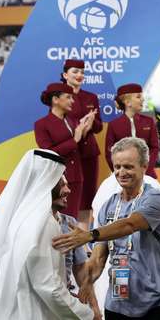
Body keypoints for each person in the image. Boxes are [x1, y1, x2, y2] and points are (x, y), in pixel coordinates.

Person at [52, 137, 160, 320]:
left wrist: (90, 235)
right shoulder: (108, 206)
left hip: (159, 304)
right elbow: (98, 258)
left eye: (128, 166)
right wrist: (87, 284)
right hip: (118, 305)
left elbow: (130, 224)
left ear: (144, 166)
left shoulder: (155, 199)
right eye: (117, 167)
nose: (121, 172)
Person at [0, 149, 94, 319]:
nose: (68, 190)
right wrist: (86, 315)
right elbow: (49, 286)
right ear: (46, 182)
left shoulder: (14, 219)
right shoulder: (42, 222)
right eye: (62, 183)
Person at [34, 82, 95, 218]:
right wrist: (74, 140)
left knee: (72, 218)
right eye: (68, 97)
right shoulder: (41, 124)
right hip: (58, 178)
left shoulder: (72, 121)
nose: (72, 101)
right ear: (55, 100)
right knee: (58, 218)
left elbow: (79, 147)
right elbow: (48, 153)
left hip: (76, 177)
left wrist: (85, 131)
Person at [61, 59, 102, 227]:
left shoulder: (91, 97)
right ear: (65, 75)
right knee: (70, 196)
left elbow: (99, 125)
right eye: (75, 72)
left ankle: (83, 239)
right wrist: (80, 127)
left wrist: (91, 123)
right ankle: (69, 235)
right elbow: (58, 121)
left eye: (82, 72)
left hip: (89, 153)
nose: (79, 75)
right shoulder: (59, 96)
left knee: (87, 196)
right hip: (71, 151)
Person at [54, 176, 101, 318]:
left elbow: (80, 268)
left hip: (65, 303)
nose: (68, 190)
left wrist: (94, 308)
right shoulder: (29, 225)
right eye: (62, 185)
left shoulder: (69, 223)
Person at [105, 84, 160, 178]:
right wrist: (121, 172)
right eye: (138, 96)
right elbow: (109, 153)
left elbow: (154, 148)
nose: (142, 99)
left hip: (147, 175)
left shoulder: (149, 121)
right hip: (123, 177)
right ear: (127, 102)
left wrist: (145, 169)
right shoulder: (114, 124)